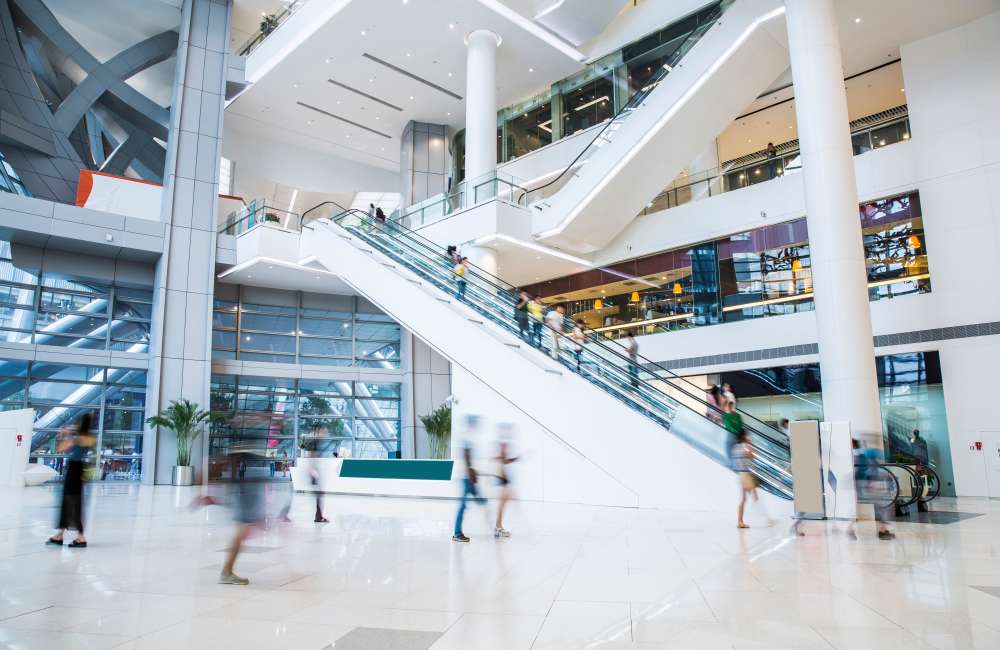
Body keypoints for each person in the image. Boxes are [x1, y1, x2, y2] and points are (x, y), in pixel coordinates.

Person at [46, 414, 95, 548]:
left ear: (81, 424)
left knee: (69, 501)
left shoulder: (77, 438)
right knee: (74, 502)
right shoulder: (89, 438)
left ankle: (78, 537)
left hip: (73, 471)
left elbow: (60, 449)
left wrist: (64, 435)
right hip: (79, 471)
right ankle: (62, 534)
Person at [851, 439, 895, 540]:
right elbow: (868, 469)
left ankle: (883, 530)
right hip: (864, 484)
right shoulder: (862, 453)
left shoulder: (860, 453)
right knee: (882, 506)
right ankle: (882, 531)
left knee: (880, 506)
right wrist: (871, 482)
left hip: (862, 483)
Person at [453, 416, 487, 543]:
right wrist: (471, 475)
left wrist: (473, 474)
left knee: (480, 502)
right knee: (464, 505)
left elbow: (469, 460)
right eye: (475, 423)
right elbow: (466, 458)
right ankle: (457, 533)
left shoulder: (469, 437)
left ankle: (493, 526)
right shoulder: (467, 437)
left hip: (468, 477)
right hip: (466, 478)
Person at [493, 425, 519, 538]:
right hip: (502, 478)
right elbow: (502, 460)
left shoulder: (503, 444)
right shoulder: (502, 444)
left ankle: (499, 527)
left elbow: (503, 460)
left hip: (503, 478)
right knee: (503, 502)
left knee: (504, 502)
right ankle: (498, 528)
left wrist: (514, 459)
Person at [732, 430, 756, 529]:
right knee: (754, 497)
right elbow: (752, 456)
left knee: (745, 498)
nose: (748, 437)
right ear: (743, 436)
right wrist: (750, 445)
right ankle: (767, 519)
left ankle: (740, 521)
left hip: (740, 474)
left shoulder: (735, 447)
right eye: (747, 436)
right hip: (746, 474)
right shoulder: (745, 446)